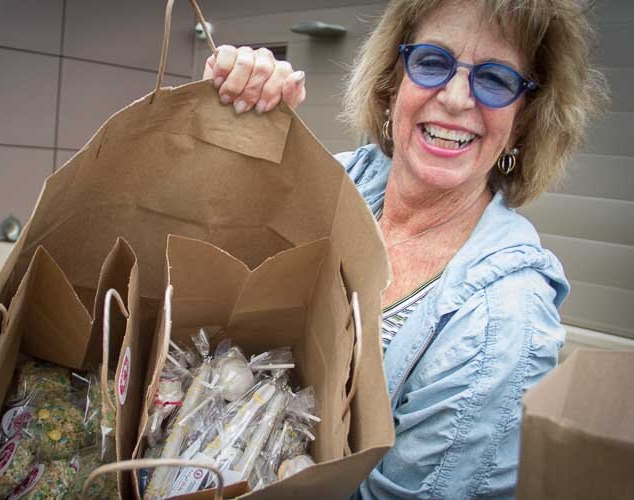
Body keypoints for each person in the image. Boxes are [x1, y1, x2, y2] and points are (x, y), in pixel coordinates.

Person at [204, 0, 606, 497]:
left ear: (523, 120)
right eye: (433, 62)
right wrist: (236, 126)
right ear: (393, 84)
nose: (457, 99)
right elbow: (207, 257)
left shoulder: (501, 327)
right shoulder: (343, 185)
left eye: (496, 79)